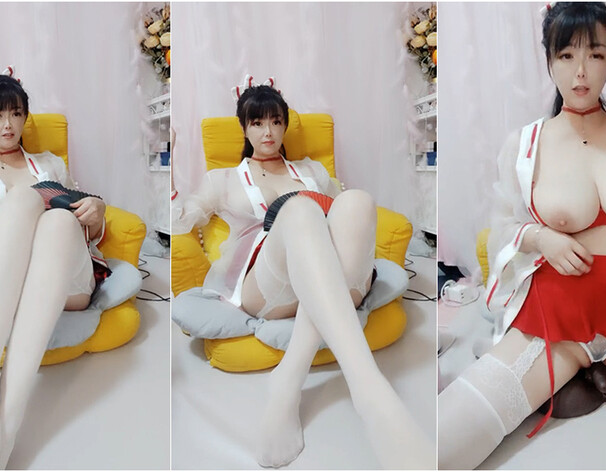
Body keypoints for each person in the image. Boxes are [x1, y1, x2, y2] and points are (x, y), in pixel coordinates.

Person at [438, 4, 606, 469]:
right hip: (551, 323)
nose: (580, 72)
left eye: (596, 55)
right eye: (566, 55)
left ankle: (602, 378)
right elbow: (502, 227)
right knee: (447, 440)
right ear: (549, 60)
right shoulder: (526, 145)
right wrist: (541, 238)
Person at [171, 77, 433, 468]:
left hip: (328, 276)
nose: (268, 132)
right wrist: (170, 171)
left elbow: (347, 223)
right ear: (244, 127)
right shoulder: (222, 179)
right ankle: (370, 388)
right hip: (267, 284)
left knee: (357, 200)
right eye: (258, 123)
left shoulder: (311, 170)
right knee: (299, 210)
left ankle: (288, 379)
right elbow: (180, 221)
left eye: (276, 122)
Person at [0, 65, 107, 469]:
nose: (7, 124)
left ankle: (1, 407)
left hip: (62, 276)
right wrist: (14, 225)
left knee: (58, 219)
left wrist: (97, 209)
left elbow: (82, 223)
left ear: (26, 116)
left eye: (15, 113)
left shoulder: (49, 164)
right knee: (26, 202)